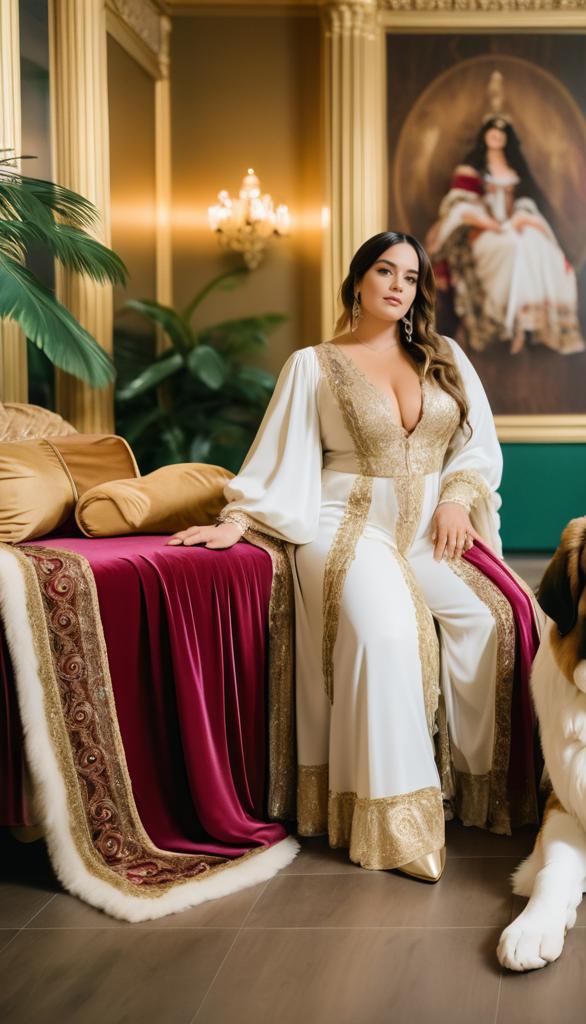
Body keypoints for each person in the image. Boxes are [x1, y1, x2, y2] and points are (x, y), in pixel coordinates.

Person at [168, 231, 534, 882]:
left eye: (412, 278)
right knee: (387, 635)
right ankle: (394, 821)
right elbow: (277, 457)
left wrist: (457, 498)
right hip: (347, 529)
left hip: (430, 531)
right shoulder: (314, 364)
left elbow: (478, 449)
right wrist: (238, 520)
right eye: (385, 271)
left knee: (496, 619)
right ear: (358, 280)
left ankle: (477, 793)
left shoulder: (445, 356)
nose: (399, 286)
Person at [425, 110, 586, 356]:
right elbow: (459, 205)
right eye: (492, 132)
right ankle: (503, 321)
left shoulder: (515, 169)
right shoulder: (472, 169)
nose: (497, 137)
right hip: (481, 229)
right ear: (485, 135)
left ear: (507, 138)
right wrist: (488, 222)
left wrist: (522, 217)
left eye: (501, 134)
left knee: (539, 247)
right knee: (510, 247)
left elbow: (526, 201)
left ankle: (529, 324)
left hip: (514, 226)